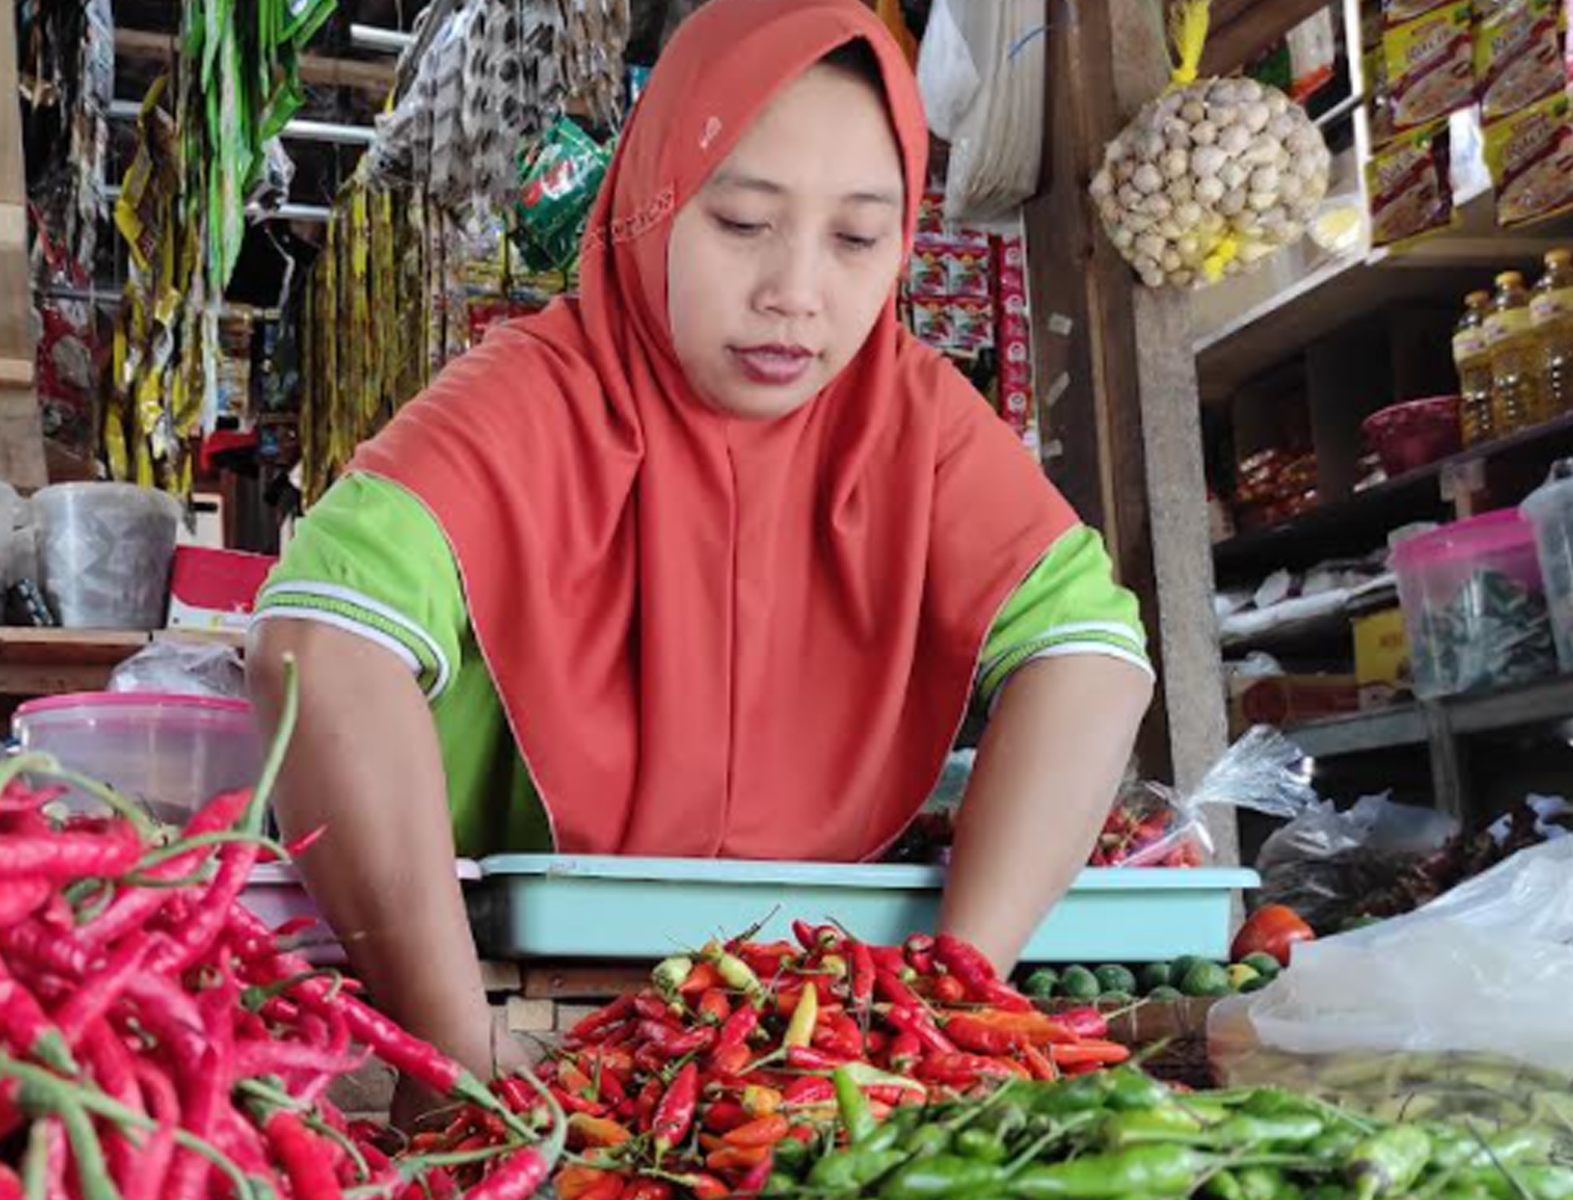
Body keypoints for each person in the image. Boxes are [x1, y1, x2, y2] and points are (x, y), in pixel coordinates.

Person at [248, 0, 1155, 1120]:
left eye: (857, 237)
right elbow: (314, 643)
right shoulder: (531, 395)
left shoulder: (910, 413)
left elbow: (1092, 652)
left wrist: (946, 997)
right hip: (507, 1007)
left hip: (807, 1017)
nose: (795, 292)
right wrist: (454, 1056)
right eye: (739, 222)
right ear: (649, 206)